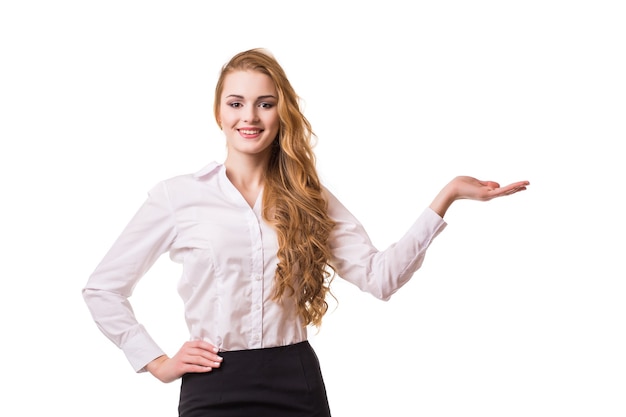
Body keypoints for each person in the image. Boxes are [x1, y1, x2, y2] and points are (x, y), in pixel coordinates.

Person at [82, 48, 529, 417]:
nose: (249, 116)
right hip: (213, 386)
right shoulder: (177, 197)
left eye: (265, 102)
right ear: (218, 112)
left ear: (282, 112)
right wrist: (156, 361)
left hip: (294, 382)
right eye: (235, 103)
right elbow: (102, 288)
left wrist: (446, 196)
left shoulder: (308, 195)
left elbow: (380, 277)